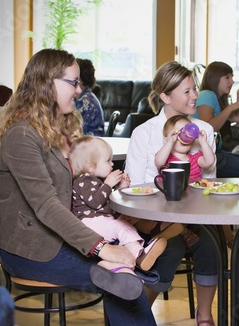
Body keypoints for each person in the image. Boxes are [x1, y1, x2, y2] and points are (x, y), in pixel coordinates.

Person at [0, 49, 157, 325]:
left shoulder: (57, 128)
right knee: (123, 279)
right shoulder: (22, 135)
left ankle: (124, 270)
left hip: (59, 237)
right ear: (47, 82)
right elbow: (46, 205)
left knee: (127, 276)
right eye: (73, 83)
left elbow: (76, 188)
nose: (79, 90)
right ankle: (120, 270)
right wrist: (101, 247)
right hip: (28, 248)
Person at [125, 61, 218, 325]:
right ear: (165, 96)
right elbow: (134, 187)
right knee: (173, 245)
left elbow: (209, 181)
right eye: (186, 92)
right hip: (153, 217)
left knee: (210, 241)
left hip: (193, 215)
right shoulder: (144, 133)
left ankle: (204, 315)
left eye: (194, 89)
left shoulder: (205, 130)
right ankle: (142, 313)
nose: (195, 96)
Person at [69, 135, 174, 276]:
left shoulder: (95, 180)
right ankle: (139, 255)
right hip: (90, 223)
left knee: (127, 219)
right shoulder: (83, 181)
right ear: (90, 165)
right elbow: (95, 203)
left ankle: (153, 231)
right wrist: (108, 184)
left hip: (102, 219)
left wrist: (120, 188)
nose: (112, 164)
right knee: (121, 227)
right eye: (108, 161)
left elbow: (106, 201)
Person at [155, 115, 216, 246]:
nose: (184, 135)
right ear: (167, 138)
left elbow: (210, 161)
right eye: (178, 132)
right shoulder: (166, 159)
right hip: (170, 204)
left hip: (191, 204)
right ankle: (181, 230)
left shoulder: (194, 159)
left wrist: (203, 143)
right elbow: (159, 162)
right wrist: (170, 142)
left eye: (187, 132)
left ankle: (184, 229)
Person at [192, 61, 239, 177]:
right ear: (215, 78)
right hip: (206, 157)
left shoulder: (217, 98)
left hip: (217, 153)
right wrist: (230, 108)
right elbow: (208, 127)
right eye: (227, 77)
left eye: (232, 77)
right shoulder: (207, 94)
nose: (232, 81)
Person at [75, 58, 105, 136]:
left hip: (88, 144)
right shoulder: (88, 96)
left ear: (79, 79)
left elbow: (73, 130)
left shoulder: (85, 102)